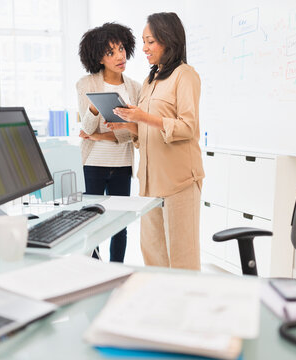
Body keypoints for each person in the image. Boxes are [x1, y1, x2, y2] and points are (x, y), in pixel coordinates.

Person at [109, 12, 204, 270]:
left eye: (150, 41)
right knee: (153, 258)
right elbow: (145, 132)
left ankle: (185, 309)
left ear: (167, 39)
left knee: (182, 259)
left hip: (179, 182)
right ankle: (162, 308)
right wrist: (129, 124)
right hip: (149, 184)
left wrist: (144, 117)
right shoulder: (150, 79)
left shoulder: (186, 75)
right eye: (144, 41)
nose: (144, 48)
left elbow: (187, 127)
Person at [76, 23, 141, 263]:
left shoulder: (135, 87)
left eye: (122, 48)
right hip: (92, 164)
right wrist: (94, 107)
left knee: (119, 224)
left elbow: (136, 133)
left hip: (122, 165)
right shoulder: (86, 85)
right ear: (98, 57)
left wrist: (105, 135)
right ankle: (93, 269)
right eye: (110, 52)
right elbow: (86, 129)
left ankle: (116, 271)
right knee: (90, 222)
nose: (120, 56)